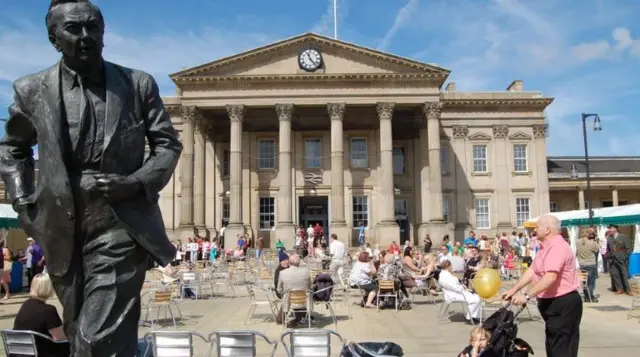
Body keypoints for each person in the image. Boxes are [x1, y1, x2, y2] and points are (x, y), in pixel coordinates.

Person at [0, 1, 182, 354]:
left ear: (103, 31)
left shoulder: (137, 84)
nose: (86, 36)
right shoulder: (31, 89)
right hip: (60, 228)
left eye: (93, 27)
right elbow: (12, 149)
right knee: (81, 329)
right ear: (54, 39)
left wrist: (134, 182)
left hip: (120, 223)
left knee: (94, 338)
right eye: (73, 29)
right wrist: (24, 205)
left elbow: (167, 146)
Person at [503, 214, 582, 357]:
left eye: (537, 226)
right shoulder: (544, 247)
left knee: (561, 348)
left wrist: (526, 296)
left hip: (563, 302)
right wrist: (514, 289)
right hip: (550, 303)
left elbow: (550, 277)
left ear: (547, 230)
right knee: (552, 346)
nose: (535, 230)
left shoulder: (557, 247)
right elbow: (532, 270)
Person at [14, 274, 69, 357]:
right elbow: (59, 339)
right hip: (40, 352)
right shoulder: (48, 310)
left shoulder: (26, 304)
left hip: (22, 351)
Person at [438, 259, 481, 323]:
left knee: (476, 296)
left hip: (452, 293)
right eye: (451, 266)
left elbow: (453, 286)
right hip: (455, 294)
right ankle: (470, 317)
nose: (452, 268)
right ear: (449, 266)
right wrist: (465, 289)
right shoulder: (447, 276)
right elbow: (455, 287)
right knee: (476, 299)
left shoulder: (443, 274)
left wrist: (463, 287)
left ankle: (472, 316)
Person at [606, 224, 633, 295]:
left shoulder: (624, 237)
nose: (609, 230)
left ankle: (628, 290)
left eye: (610, 228)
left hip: (622, 259)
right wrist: (608, 256)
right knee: (615, 275)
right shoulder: (609, 238)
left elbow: (629, 249)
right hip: (612, 259)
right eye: (609, 228)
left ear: (615, 229)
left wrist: (624, 257)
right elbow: (608, 249)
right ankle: (619, 289)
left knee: (625, 275)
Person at [576, 228, 600, 302]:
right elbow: (597, 249)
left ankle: (586, 296)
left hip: (582, 264)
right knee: (591, 282)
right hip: (590, 264)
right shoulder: (591, 243)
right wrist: (596, 240)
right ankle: (591, 296)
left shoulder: (577, 242)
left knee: (584, 282)